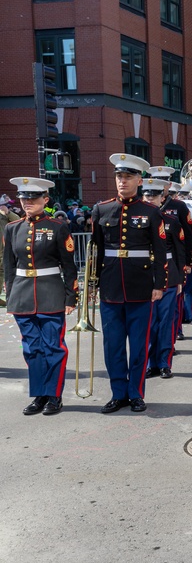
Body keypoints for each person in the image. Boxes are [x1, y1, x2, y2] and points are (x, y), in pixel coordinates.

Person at [91, 154, 168, 413]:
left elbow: (159, 250)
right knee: (112, 345)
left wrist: (159, 284)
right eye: (119, 177)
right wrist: (93, 284)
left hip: (141, 286)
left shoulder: (151, 212)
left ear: (139, 180)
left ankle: (136, 392)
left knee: (138, 345)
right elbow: (96, 250)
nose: (122, 182)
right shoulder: (101, 209)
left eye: (128, 177)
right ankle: (118, 393)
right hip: (111, 286)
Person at [3, 177, 77, 415]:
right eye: (24, 198)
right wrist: (12, 295)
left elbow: (69, 266)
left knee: (53, 347)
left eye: (33, 198)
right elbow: (9, 266)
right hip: (22, 295)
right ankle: (39, 395)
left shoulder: (57, 227)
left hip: (51, 293)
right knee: (32, 348)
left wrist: (70, 297)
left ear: (45, 200)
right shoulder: (12, 228)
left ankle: (54, 395)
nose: (27, 202)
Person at [140, 178, 185, 380]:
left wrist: (181, 278)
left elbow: (179, 251)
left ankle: (165, 363)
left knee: (165, 321)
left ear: (161, 198)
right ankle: (151, 363)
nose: (150, 198)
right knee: (149, 322)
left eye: (154, 195)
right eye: (147, 195)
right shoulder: (137, 220)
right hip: (144, 273)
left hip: (168, 273)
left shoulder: (171, 222)